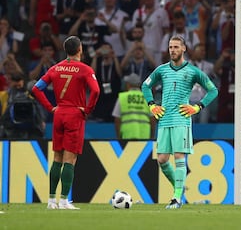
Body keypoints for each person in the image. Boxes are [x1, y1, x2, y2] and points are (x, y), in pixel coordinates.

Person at [141, 35, 218, 209]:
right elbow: (145, 86)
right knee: (161, 159)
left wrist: (197, 107)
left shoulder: (192, 71)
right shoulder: (161, 70)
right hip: (164, 119)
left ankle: (176, 198)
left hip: (181, 119)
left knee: (178, 157)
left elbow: (213, 91)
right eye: (170, 47)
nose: (173, 50)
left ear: (184, 49)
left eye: (176, 47)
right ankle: (179, 188)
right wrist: (152, 105)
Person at [32, 36, 100, 210]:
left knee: (57, 158)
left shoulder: (55, 68)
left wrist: (50, 108)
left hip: (59, 113)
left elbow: (35, 88)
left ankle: (50, 201)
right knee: (70, 159)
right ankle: (63, 201)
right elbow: (96, 90)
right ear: (80, 49)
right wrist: (87, 109)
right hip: (74, 114)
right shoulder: (85, 69)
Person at [0, 72, 46, 139]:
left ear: (23, 82)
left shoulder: (31, 97)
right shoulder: (3, 95)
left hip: (30, 127)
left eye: (19, 86)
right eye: (15, 86)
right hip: (10, 127)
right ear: (10, 82)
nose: (18, 88)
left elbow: (39, 112)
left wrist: (41, 120)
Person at [112, 73, 155, 139]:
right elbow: (152, 119)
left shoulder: (122, 97)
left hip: (127, 136)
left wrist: (118, 137)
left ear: (128, 84)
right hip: (144, 136)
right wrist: (152, 137)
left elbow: (117, 119)